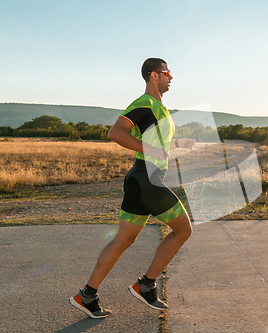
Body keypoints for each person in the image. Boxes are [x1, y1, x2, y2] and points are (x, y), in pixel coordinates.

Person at [70, 58, 195, 319]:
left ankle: (87, 296)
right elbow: (116, 133)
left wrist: (177, 143)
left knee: (123, 239)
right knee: (183, 230)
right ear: (154, 75)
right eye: (167, 72)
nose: (171, 77)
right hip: (148, 178)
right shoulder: (145, 103)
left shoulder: (158, 107)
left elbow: (155, 143)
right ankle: (146, 285)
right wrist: (151, 149)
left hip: (140, 178)